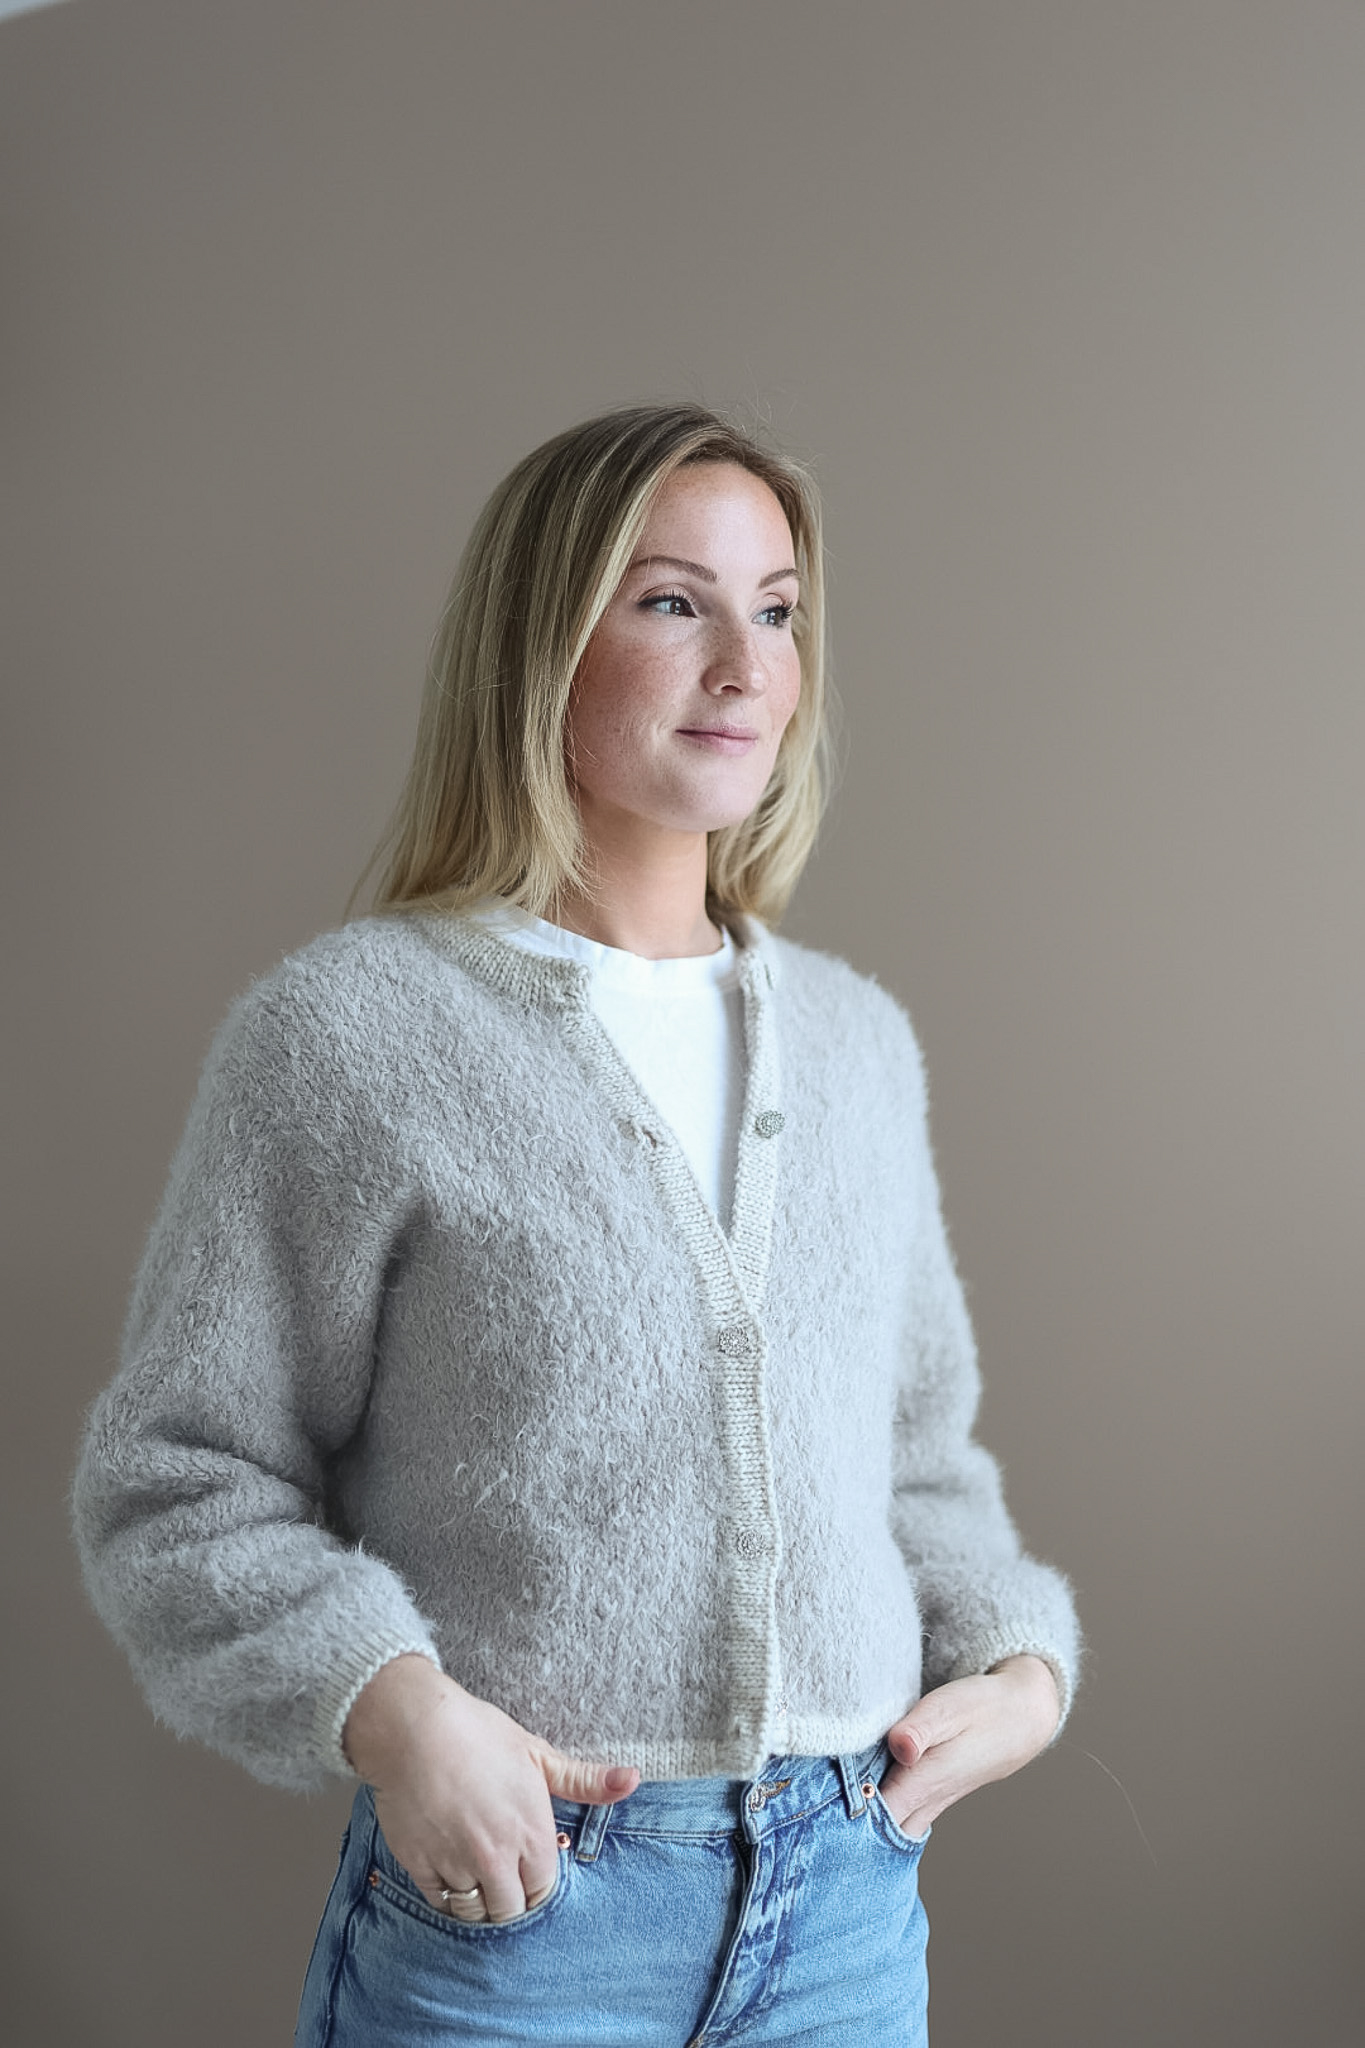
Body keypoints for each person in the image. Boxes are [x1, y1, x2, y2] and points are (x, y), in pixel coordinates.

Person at [73, 402, 1080, 2047]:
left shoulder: (854, 1045)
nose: (744, 667)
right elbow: (179, 1485)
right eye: (674, 602)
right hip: (519, 1916)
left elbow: (916, 1467)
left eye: (777, 612)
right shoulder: (348, 1035)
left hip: (845, 1905)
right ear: (538, 644)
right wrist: (397, 1714)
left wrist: (1020, 1668)